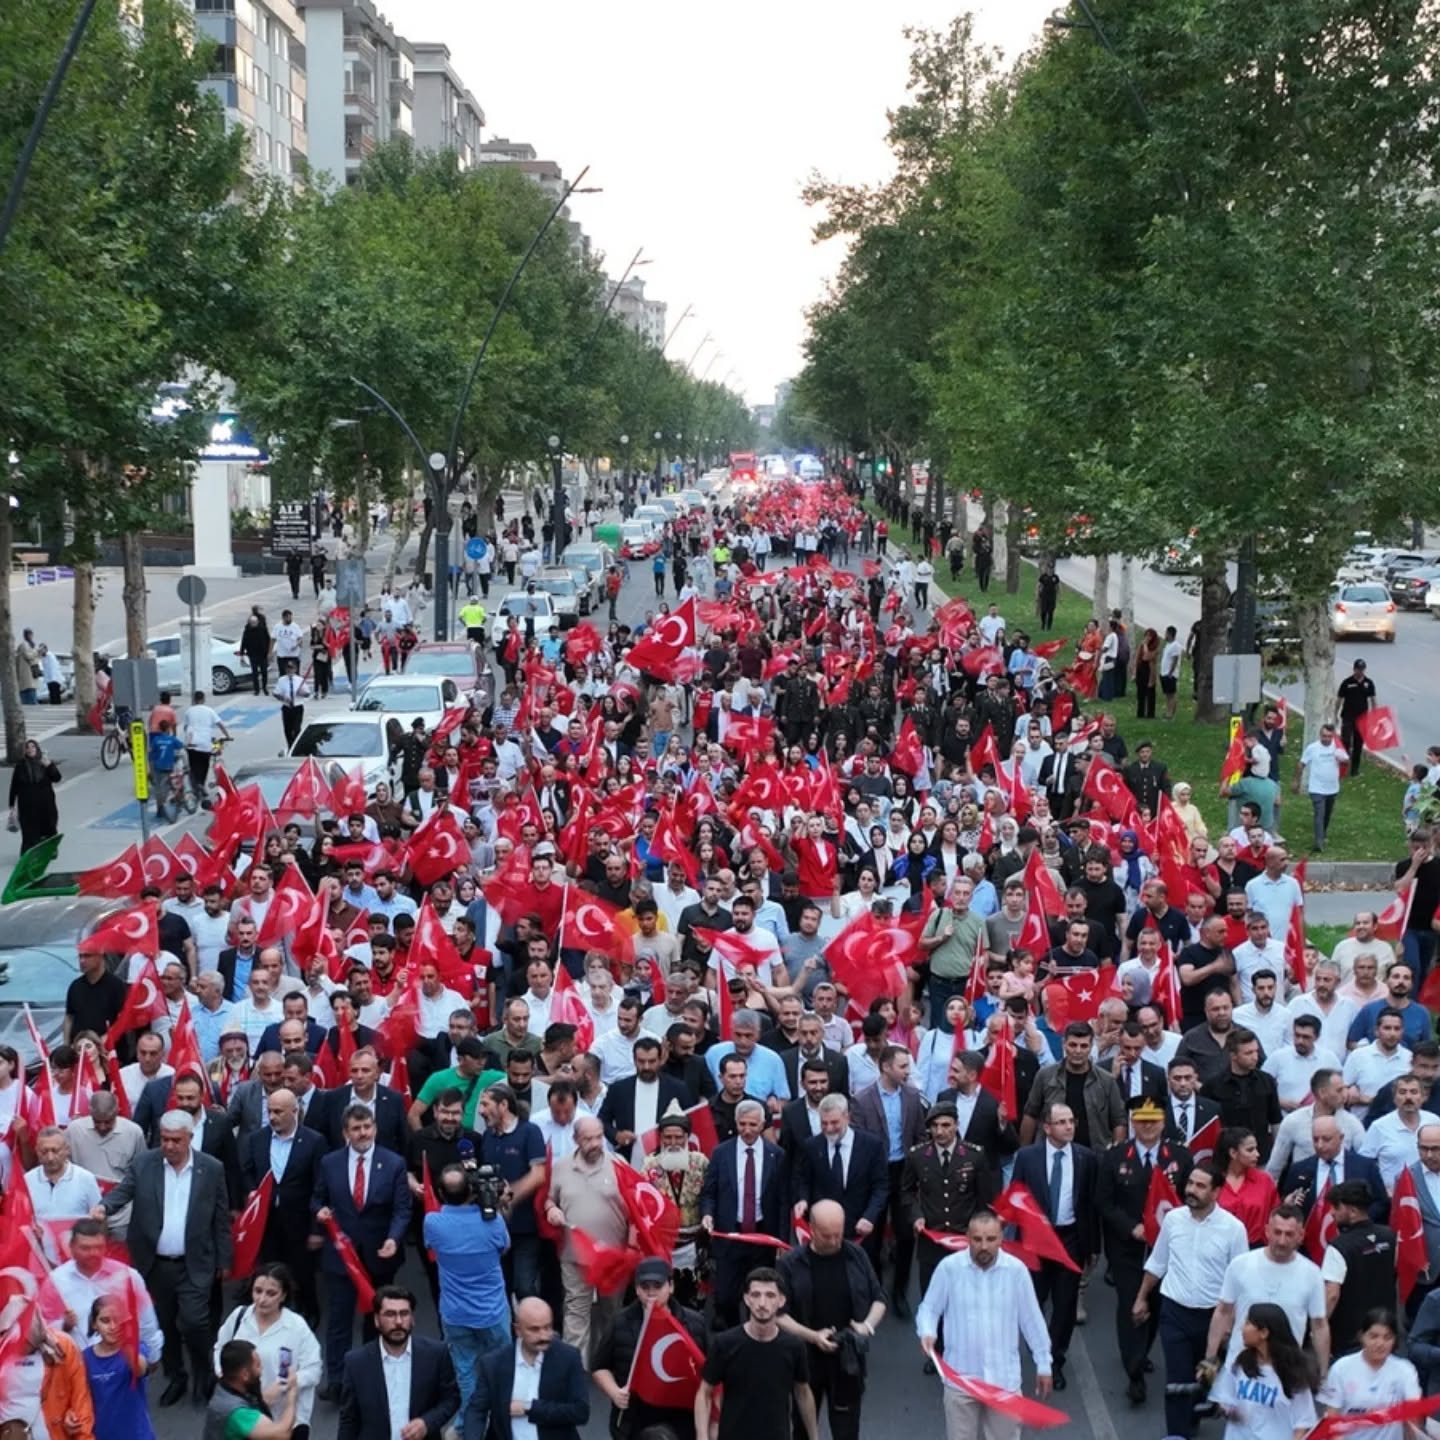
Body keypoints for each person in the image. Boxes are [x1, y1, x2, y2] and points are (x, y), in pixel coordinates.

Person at [97, 1107, 232, 1406]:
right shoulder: (145, 1164)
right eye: (164, 1139)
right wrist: (103, 1207)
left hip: (195, 1262)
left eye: (176, 1140)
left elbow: (221, 1218)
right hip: (155, 1264)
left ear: (190, 1138)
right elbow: (123, 1192)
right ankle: (176, 1376)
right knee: (165, 1323)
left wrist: (225, 1260)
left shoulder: (211, 1168)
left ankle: (204, 1373)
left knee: (195, 1323)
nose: (169, 1146)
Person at [916, 1210, 1054, 1440]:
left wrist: (1044, 1364)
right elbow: (929, 1308)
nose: (984, 1246)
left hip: (1003, 1382)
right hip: (961, 1380)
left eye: (990, 1239)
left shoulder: (1016, 1271)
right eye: (977, 1239)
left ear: (1001, 1239)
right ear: (967, 1238)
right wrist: (927, 1332)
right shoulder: (949, 1268)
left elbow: (1032, 1320)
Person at [1134, 1164, 1249, 1440]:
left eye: (1200, 1186)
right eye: (1190, 1184)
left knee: (1204, 1375)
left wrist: (1232, 1325)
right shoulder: (1173, 1220)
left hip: (1213, 1318)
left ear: (1216, 1192)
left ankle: (1194, 1416)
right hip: (1174, 1312)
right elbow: (1158, 1262)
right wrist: (1141, 1298)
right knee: (1177, 1379)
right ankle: (1176, 1434)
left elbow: (1241, 1281)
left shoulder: (1234, 1229)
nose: (1191, 1190)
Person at [1096, 1097, 1194, 1404]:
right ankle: (1134, 1372)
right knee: (1131, 1305)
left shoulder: (1179, 1156)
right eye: (1142, 1121)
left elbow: (1189, 1198)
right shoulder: (1115, 1157)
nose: (1148, 1126)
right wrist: (1131, 1227)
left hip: (1167, 1248)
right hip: (1127, 1248)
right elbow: (1104, 1202)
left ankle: (1142, 1351)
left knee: (1156, 1304)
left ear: (1164, 1123)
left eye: (1154, 1120)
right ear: (1132, 1123)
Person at [311, 1104, 411, 1397]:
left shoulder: (394, 1163)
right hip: (341, 1257)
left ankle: (370, 1379)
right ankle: (337, 1380)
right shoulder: (330, 1162)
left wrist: (394, 1238)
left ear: (375, 1128)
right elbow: (316, 1199)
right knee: (339, 1320)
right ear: (346, 1133)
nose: (363, 1133)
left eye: (367, 1127)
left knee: (376, 1319)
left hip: (379, 1256)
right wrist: (320, 1212)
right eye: (356, 1128)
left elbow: (402, 1209)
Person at [776, 1199, 886, 1440]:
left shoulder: (856, 1255)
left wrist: (867, 1326)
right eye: (827, 1236)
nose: (835, 1241)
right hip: (805, 1358)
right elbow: (779, 1315)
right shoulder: (790, 1264)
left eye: (839, 1234)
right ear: (812, 1229)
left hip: (847, 1356)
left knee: (847, 1432)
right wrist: (812, 1336)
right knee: (802, 1431)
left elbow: (879, 1299)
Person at [1009, 1102, 1098, 1391]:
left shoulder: (1086, 1158)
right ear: (1047, 1127)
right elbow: (1016, 1196)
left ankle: (1054, 1359)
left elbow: (1091, 1205)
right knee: (1034, 1301)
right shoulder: (1027, 1157)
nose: (1069, 1126)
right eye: (1061, 1122)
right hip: (1035, 1241)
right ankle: (1037, 1349)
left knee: (1065, 1304)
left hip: (1070, 1240)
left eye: (1071, 1121)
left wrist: (1092, 1247)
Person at [424, 1162, 512, 1426]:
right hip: (493, 1313)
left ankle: (470, 1424)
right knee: (501, 1370)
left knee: (465, 1372)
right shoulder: (493, 1223)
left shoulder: (432, 1223)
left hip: (456, 1314)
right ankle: (501, 1421)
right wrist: (497, 1207)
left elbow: (430, 1246)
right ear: (472, 1190)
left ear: (440, 1193)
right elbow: (504, 1248)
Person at [590, 1257, 709, 1440]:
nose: (651, 1293)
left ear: (671, 1286)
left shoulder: (695, 1323)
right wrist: (614, 1392)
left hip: (682, 1418)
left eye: (657, 1286)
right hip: (635, 1419)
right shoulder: (620, 1323)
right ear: (637, 1289)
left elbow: (709, 1372)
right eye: (645, 1287)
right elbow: (599, 1366)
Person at [544, 1113, 629, 1364]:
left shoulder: (619, 1164)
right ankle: (575, 1370)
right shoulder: (561, 1167)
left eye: (599, 1137)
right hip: (575, 1254)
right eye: (588, 1139)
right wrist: (552, 1210)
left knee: (612, 1313)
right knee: (575, 1311)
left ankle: (607, 1366)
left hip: (613, 1257)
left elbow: (637, 1206)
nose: (594, 1144)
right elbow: (549, 1199)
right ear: (576, 1140)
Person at [1204, 1206, 1330, 1374]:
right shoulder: (1240, 1265)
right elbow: (1223, 1311)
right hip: (1239, 1367)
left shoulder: (1312, 1274)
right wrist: (1210, 1358)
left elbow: (1319, 1326)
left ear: (1301, 1236)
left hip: (1286, 1372)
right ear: (1267, 1231)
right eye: (1277, 1232)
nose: (1282, 1241)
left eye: (1289, 1234)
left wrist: (1323, 1374)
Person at [696, 1267, 818, 1440]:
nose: (762, 1303)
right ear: (746, 1299)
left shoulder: (794, 1347)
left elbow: (803, 1393)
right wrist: (702, 1435)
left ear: (781, 1301)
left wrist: (814, 1437)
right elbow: (704, 1393)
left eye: (770, 1295)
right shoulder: (724, 1344)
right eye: (755, 1295)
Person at [701, 1099, 789, 1325]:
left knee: (761, 1296)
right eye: (742, 1124)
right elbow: (709, 1192)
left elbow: (783, 1201)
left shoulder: (776, 1155)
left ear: (763, 1124)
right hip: (730, 1235)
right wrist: (707, 1214)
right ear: (735, 1123)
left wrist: (782, 1240)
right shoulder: (721, 1153)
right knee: (726, 1298)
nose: (747, 1130)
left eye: (752, 1124)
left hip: (763, 1237)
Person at [900, 1102, 998, 1303]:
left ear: (956, 1125)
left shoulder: (974, 1156)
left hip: (963, 1238)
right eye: (934, 1126)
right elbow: (906, 1192)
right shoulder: (918, 1156)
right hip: (931, 1240)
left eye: (945, 1125)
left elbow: (984, 1200)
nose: (939, 1131)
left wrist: (979, 1231)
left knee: (964, 1300)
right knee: (931, 1299)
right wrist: (916, 1216)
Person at [212, 1265, 323, 1440]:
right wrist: (227, 1377)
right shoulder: (239, 1318)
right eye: (258, 1291)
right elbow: (220, 1349)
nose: (262, 1299)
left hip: (286, 1418)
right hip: (246, 1415)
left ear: (283, 1295)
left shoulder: (296, 1327)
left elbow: (313, 1369)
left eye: (271, 1293)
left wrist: (286, 1385)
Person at [335, 1287, 460, 1440]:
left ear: (412, 1319)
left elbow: (451, 1398)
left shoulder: (436, 1354)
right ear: (376, 1320)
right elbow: (349, 1419)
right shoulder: (356, 1362)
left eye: (404, 1313)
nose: (398, 1322)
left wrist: (427, 1423)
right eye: (390, 1314)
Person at [466, 1297, 589, 1440]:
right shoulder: (493, 1363)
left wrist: (530, 1408)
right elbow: (476, 1410)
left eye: (548, 1327)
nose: (543, 1336)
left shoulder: (568, 1358)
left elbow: (581, 1412)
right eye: (534, 1329)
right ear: (518, 1330)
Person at [1210, 1303, 1318, 1440]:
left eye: (1248, 1323)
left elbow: (1303, 1423)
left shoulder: (1293, 1375)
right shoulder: (1240, 1363)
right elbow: (1224, 1402)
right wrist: (1213, 1387)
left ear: (1264, 1333)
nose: (1242, 1328)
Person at [1320, 1309, 1420, 1434]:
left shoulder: (1405, 1370)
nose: (1380, 1343)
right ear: (1362, 1336)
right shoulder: (1340, 1368)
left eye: (1387, 1337)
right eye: (1374, 1336)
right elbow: (1331, 1416)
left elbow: (1412, 1417)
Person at [85, 1291, 158, 1440]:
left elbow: (140, 1369)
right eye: (105, 1321)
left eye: (117, 1320)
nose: (113, 1326)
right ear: (94, 1324)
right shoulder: (84, 1358)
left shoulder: (136, 1348)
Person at [1295, 722, 1346, 853]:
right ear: (1320, 735)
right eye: (1324, 736)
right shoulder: (1312, 748)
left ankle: (1323, 833)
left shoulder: (1337, 747)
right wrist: (1296, 781)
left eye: (1329, 736)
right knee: (1319, 813)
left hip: (1332, 788)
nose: (1326, 739)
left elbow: (1346, 762)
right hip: (1317, 788)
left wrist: (1344, 760)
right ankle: (1318, 842)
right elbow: (1301, 764)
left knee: (1327, 814)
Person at [8, 737, 60, 852]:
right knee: (29, 831)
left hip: (45, 804)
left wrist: (50, 765)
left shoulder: (44, 763)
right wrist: (11, 805)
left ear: (37, 749)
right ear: (25, 751)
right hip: (27, 806)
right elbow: (14, 786)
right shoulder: (20, 765)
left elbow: (57, 778)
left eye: (33, 747)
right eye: (27, 747)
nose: (30, 749)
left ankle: (51, 850)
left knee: (48, 827)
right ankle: (28, 853)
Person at [1337, 658, 1376, 776]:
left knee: (1358, 745)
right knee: (1346, 742)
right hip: (1348, 716)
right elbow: (1339, 699)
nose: (1360, 672)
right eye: (1358, 669)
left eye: (1362, 669)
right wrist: (1335, 713)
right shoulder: (1347, 683)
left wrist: (1375, 715)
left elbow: (1373, 700)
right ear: (1354, 669)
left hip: (1362, 719)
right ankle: (1342, 768)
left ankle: (1355, 770)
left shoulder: (1369, 683)